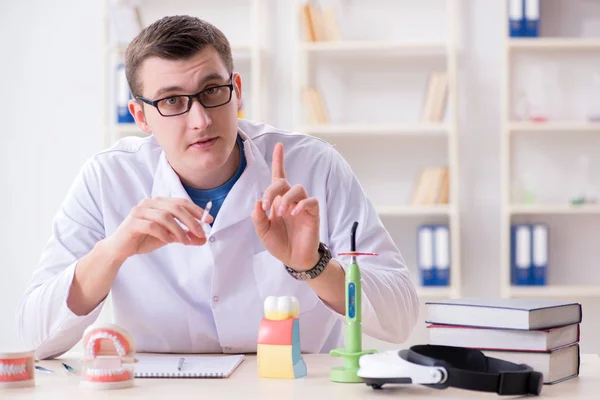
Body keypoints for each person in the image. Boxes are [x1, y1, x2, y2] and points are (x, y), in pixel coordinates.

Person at [15, 15, 419, 360]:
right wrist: (112, 251)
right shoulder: (108, 180)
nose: (201, 120)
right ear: (140, 115)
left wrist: (312, 264)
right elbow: (35, 338)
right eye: (172, 101)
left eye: (212, 91)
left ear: (236, 91)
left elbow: (400, 317)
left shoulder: (314, 166)